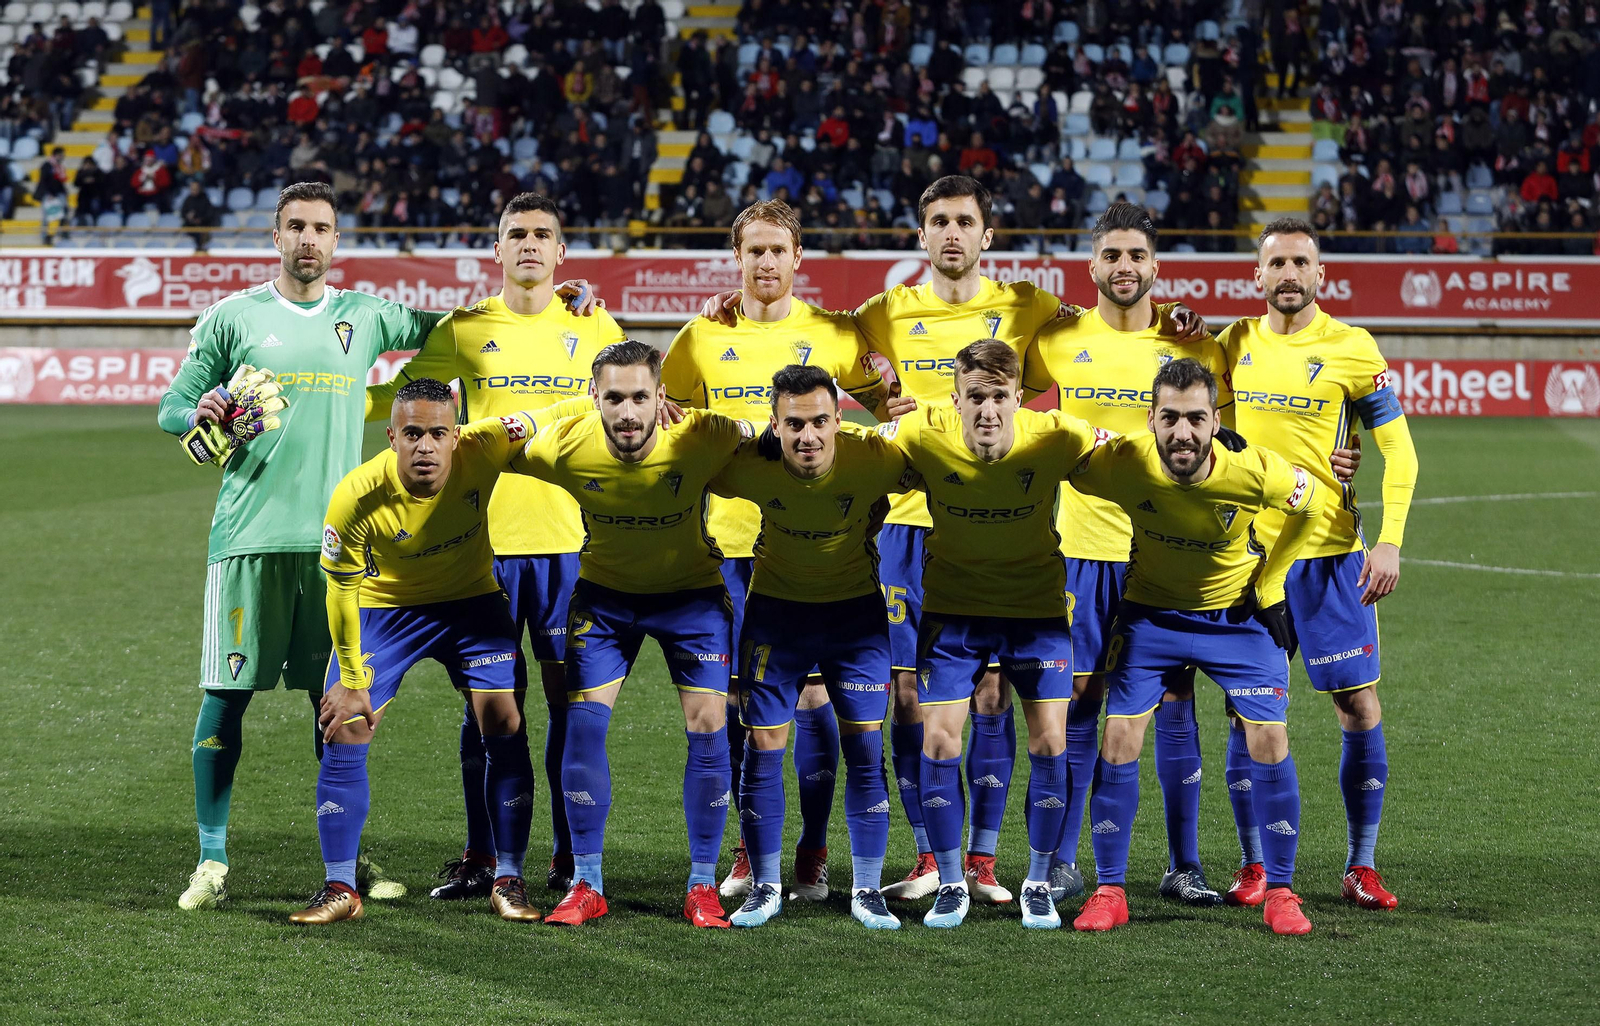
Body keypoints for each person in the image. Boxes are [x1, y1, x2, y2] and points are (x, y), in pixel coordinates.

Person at [698, 175, 1206, 903]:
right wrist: (733, 303)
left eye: (965, 221)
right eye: (938, 221)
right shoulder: (881, 313)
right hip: (909, 521)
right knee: (909, 695)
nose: (952, 233)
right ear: (921, 234)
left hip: (998, 521)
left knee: (994, 691)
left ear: (986, 235)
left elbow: (1108, 319)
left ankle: (983, 860)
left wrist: (1177, 316)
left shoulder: (1029, 306)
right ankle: (927, 856)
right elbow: (807, 339)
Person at [158, 182, 442, 912]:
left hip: (337, 551)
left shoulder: (367, 316)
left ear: (337, 240)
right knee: (225, 699)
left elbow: (459, 328)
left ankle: (348, 857)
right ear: (276, 237)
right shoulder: (233, 317)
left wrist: (548, 301)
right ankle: (211, 861)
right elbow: (171, 407)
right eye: (296, 227)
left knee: (340, 705)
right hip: (247, 540)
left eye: (321, 227)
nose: (308, 239)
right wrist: (200, 409)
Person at [365, 194, 626, 901]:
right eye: (517, 234)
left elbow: (631, 410)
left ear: (562, 251)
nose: (530, 244)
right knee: (485, 704)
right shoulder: (465, 327)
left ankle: (569, 860)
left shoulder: (595, 324)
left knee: (572, 705)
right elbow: (397, 399)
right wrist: (318, 393)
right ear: (497, 248)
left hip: (572, 544)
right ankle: (482, 856)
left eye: (543, 234)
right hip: (480, 547)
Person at [660, 200, 889, 903]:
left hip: (814, 553)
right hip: (721, 554)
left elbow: (893, 414)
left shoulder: (836, 335)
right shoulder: (700, 336)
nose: (765, 262)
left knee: (815, 698)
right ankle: (747, 847)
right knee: (739, 704)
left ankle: (813, 851)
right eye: (753, 250)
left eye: (777, 250)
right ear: (737, 258)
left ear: (798, 258)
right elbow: (667, 426)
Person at [1021, 201, 1235, 906]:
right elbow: (993, 394)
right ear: (1092, 263)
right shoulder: (1058, 340)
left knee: (1175, 704)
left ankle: (1184, 865)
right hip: (1081, 554)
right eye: (1111, 255)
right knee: (1079, 703)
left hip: (1165, 556)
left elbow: (1233, 442)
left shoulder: (1189, 345)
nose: (1124, 267)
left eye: (1136, 255)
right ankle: (1061, 861)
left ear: (1156, 266)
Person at [1068, 358, 1324, 936]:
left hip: (1236, 617)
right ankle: (1110, 890)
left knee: (1269, 738)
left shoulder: (1255, 470)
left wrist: (1272, 583)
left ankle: (1281, 892)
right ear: (1150, 419)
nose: (1182, 433)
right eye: (1169, 418)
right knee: (1119, 736)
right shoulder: (1123, 462)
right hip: (1151, 615)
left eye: (1195, 419)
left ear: (1215, 421)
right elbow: (1060, 459)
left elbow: (1312, 505)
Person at [515, 341, 756, 928]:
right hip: (605, 602)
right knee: (581, 726)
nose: (628, 413)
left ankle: (702, 885)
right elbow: (485, 451)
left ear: (661, 397)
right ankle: (587, 883)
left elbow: (766, 434)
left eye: (641, 398)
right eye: (615, 398)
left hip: (693, 601)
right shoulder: (563, 445)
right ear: (594, 397)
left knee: (709, 728)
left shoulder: (701, 435)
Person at [1218, 218, 1418, 911]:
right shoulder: (1231, 345)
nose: (1289, 275)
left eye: (1301, 262)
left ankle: (1361, 864)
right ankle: (1253, 865)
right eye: (1276, 263)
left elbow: (1400, 450)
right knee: (1247, 715)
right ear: (1257, 275)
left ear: (1320, 274)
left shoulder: (1352, 348)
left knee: (1357, 705)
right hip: (1250, 560)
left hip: (1332, 558)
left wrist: (1389, 540)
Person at [293, 383, 542, 925]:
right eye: (412, 434)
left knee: (505, 722)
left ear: (456, 436)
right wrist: (352, 679)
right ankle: (340, 887)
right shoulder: (356, 494)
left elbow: (557, 412)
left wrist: (624, 401)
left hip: (472, 604)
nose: (425, 446)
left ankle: (508, 877)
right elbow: (340, 590)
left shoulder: (486, 445)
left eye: (436, 433)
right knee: (344, 726)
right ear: (391, 437)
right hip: (386, 610)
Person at [879, 339, 1106, 929]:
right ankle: (953, 882)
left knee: (1051, 742)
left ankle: (1037, 880)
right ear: (954, 399)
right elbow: (845, 449)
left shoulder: (1059, 436)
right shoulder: (920, 433)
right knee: (938, 742)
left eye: (999, 397)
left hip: (1035, 615)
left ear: (1019, 398)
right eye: (975, 397)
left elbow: (1134, 453)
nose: (987, 410)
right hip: (953, 615)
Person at [709, 365, 917, 929]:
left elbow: (943, 468)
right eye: (795, 424)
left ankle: (867, 890)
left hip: (855, 622)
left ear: (839, 421)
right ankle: (766, 886)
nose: (809, 436)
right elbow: (681, 464)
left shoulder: (875, 458)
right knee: (763, 748)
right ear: (774, 426)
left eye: (821, 422)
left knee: (866, 751)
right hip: (776, 619)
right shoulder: (748, 464)